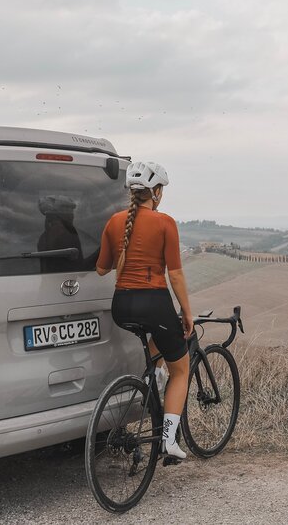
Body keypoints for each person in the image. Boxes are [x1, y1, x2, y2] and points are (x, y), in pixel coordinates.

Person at [96, 161, 193, 459]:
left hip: (122, 306)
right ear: (157, 192)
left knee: (159, 345)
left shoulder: (114, 222)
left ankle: (152, 378)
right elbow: (174, 275)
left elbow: (102, 269)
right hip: (154, 302)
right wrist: (187, 312)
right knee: (181, 369)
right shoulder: (165, 223)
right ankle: (168, 440)